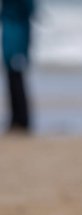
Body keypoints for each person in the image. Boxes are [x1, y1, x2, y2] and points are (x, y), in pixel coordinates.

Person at [1, 0, 34, 133]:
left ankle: (22, 121)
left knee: (17, 80)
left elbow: (30, 9)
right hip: (11, 38)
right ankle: (15, 120)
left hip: (17, 39)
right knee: (12, 79)